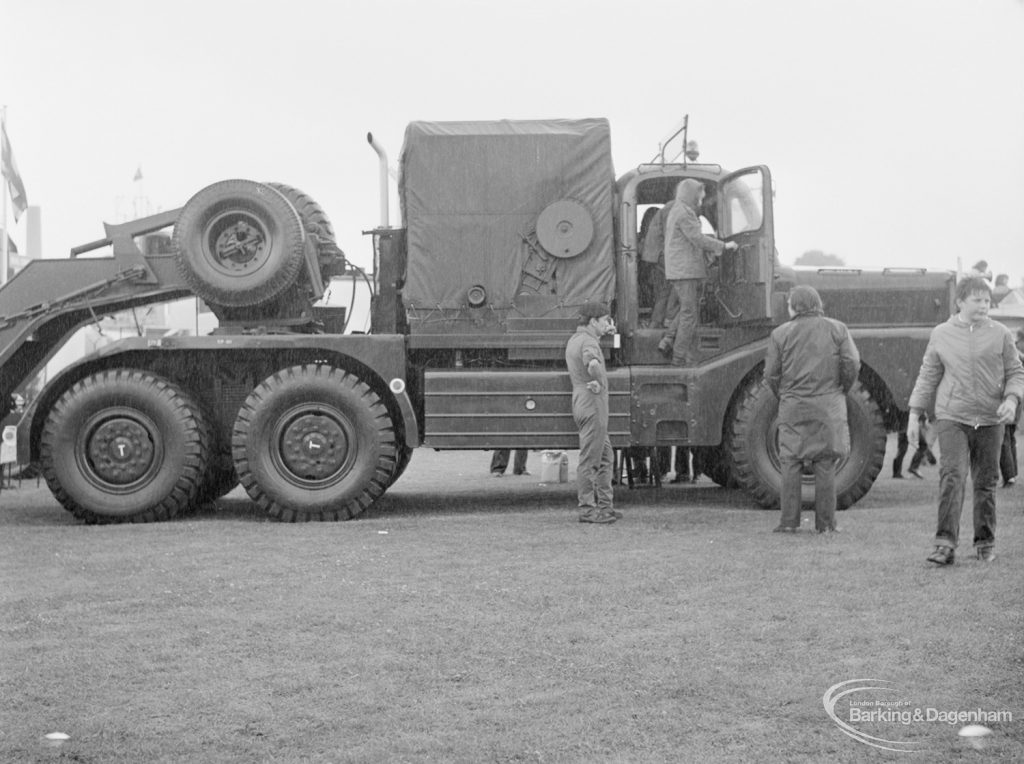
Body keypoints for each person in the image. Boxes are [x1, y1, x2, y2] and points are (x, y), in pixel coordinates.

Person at [907, 277, 1024, 565]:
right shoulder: (941, 333)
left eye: (986, 300)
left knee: (985, 482)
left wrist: (1011, 399)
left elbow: (1016, 372)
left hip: (990, 418)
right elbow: (928, 376)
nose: (984, 305)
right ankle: (944, 544)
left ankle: (985, 542)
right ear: (960, 302)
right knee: (952, 476)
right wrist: (913, 413)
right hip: (952, 417)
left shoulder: (1001, 334)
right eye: (977, 300)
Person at [763, 285, 860, 533]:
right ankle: (826, 524)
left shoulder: (780, 334)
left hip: (793, 405)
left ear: (795, 306)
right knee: (825, 463)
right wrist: (839, 389)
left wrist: (785, 394)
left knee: (790, 462)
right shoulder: (838, 329)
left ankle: (788, 523)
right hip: (828, 406)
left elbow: (771, 374)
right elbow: (852, 363)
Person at [656, 179, 738, 366]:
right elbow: (698, 239)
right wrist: (724, 246)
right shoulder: (685, 213)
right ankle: (678, 357)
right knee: (690, 315)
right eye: (699, 197)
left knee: (687, 309)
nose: (701, 201)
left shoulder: (678, 210)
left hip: (682, 270)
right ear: (691, 195)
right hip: (686, 271)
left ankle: (668, 340)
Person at [565, 302, 619, 523]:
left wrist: (607, 331)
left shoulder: (576, 339)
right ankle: (588, 510)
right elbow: (592, 361)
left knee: (605, 457)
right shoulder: (588, 342)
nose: (607, 324)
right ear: (593, 321)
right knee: (591, 460)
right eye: (605, 320)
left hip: (581, 400)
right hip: (593, 404)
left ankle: (606, 507)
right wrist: (597, 380)